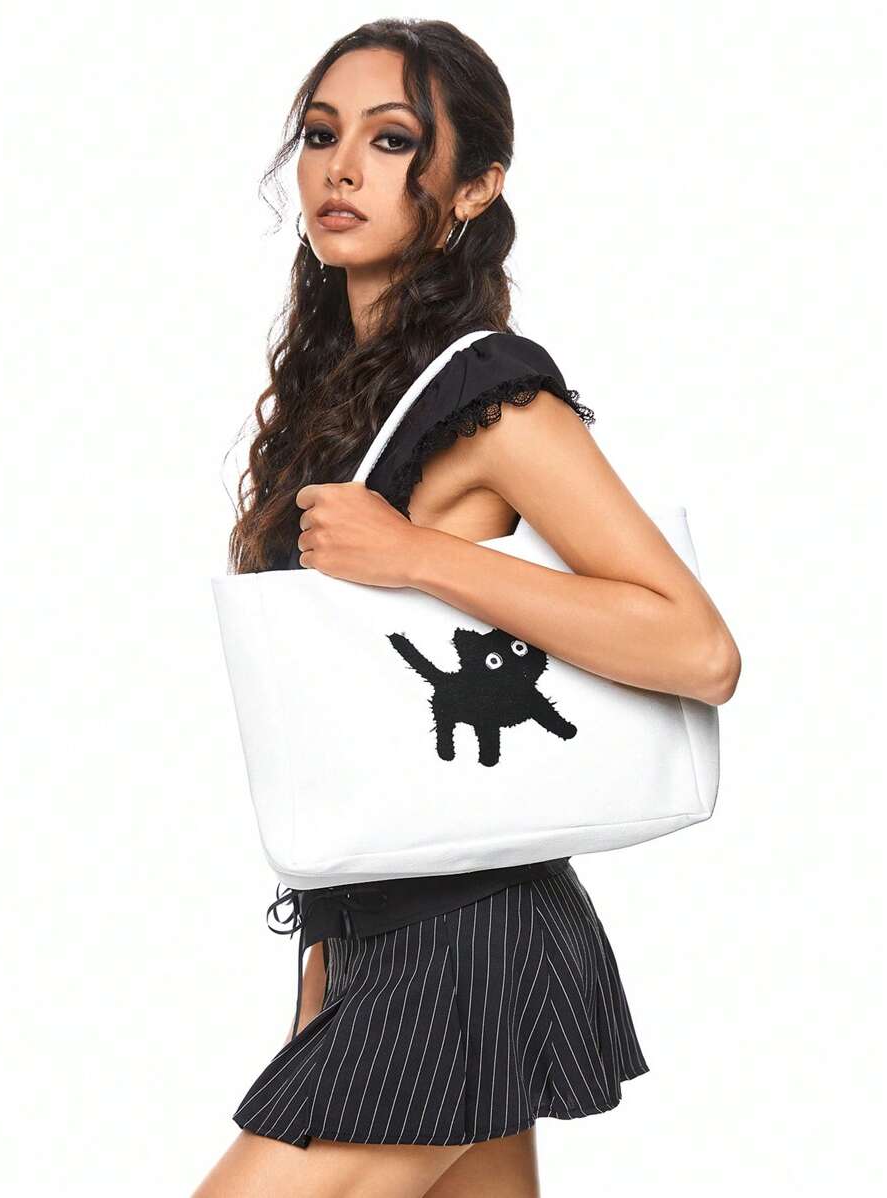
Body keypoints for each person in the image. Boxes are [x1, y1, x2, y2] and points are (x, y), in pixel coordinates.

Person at [192, 17, 741, 1198]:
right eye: (322, 135)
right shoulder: (339, 400)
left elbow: (697, 647)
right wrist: (321, 983)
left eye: (393, 140)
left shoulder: (495, 396)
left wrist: (419, 557)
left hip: (466, 937)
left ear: (476, 185)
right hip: (386, 931)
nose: (343, 169)